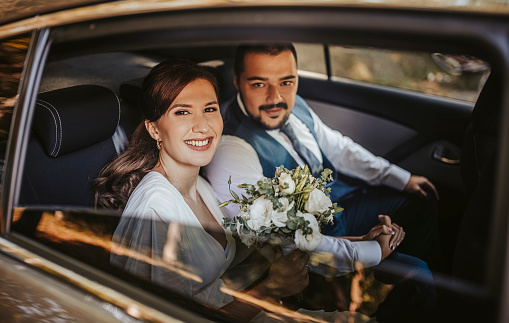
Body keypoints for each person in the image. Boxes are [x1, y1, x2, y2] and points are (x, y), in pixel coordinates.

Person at [91, 59, 391, 322]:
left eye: (209, 109)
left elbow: (266, 241)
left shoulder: (203, 188)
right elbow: (168, 316)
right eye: (182, 112)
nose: (203, 125)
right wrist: (271, 289)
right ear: (155, 129)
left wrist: (358, 241)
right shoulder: (156, 210)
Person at [204, 43, 442, 268]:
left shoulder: (295, 105)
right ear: (237, 81)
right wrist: (370, 250)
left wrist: (399, 177)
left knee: (422, 201)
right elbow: (282, 240)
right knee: (416, 272)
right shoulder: (231, 148)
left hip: (340, 207)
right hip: (315, 246)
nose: (275, 97)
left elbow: (338, 147)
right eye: (259, 84)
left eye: (286, 82)